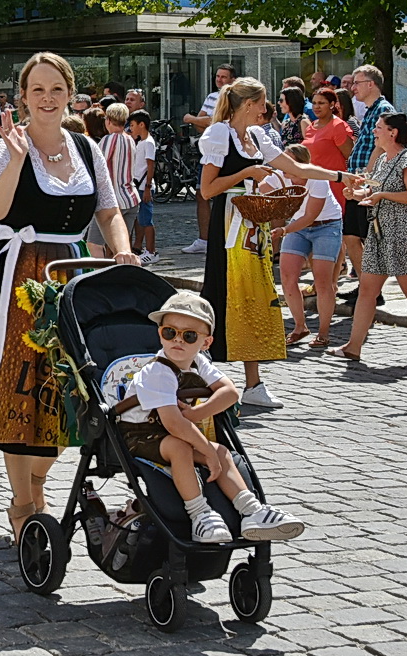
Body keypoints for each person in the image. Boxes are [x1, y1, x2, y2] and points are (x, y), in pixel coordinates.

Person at [0, 52, 140, 541]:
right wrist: (18, 158)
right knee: (20, 386)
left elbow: (108, 211)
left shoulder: (86, 148)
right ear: (22, 97)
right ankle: (24, 500)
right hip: (19, 276)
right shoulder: (9, 146)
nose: (47, 99)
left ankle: (39, 482)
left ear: (70, 94)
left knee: (74, 388)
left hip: (72, 273)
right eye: (37, 90)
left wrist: (124, 250)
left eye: (56, 89)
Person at [104, 290, 306, 543]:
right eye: (170, 332)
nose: (178, 341)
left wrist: (199, 413)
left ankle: (251, 511)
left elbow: (230, 392)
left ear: (206, 343)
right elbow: (174, 422)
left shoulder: (198, 361)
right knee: (183, 448)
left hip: (173, 430)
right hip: (140, 434)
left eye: (189, 336)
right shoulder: (157, 371)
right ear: (160, 333)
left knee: (222, 451)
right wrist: (205, 450)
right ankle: (200, 514)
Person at [198, 77, 344, 406]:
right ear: (248, 105)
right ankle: (218, 374)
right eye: (262, 103)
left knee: (254, 296)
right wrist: (246, 174)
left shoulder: (256, 136)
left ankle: (251, 382)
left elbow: (294, 166)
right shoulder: (221, 134)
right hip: (230, 225)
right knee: (229, 294)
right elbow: (208, 189)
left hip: (252, 224)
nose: (266, 109)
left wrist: (337, 176)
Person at [327, 112, 407, 363]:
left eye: (379, 128)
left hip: (404, 231)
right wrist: (355, 193)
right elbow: (373, 189)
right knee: (368, 290)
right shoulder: (382, 160)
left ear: (393, 133)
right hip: (380, 230)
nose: (374, 132)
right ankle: (353, 346)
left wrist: (381, 197)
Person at [272, 144, 343, 348]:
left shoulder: (317, 179)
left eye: (288, 160)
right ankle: (300, 326)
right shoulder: (282, 175)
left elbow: (310, 215)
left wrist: (284, 231)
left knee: (322, 281)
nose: (283, 164)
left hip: (326, 225)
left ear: (301, 164)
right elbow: (262, 188)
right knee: (287, 276)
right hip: (298, 226)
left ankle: (323, 333)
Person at [340, 66, 396, 287]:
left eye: (357, 83)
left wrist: (367, 175)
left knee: (366, 237)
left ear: (371, 84)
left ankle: (371, 291)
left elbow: (381, 147)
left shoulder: (383, 110)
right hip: (359, 180)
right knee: (351, 235)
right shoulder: (370, 109)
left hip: (369, 182)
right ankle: (366, 288)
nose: (353, 88)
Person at [182, 64, 237, 254]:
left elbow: (210, 122)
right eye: (218, 76)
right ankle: (204, 239)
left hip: (229, 150)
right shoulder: (211, 97)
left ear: (232, 80)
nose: (219, 80)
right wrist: (203, 121)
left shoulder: (236, 98)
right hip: (210, 152)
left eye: (224, 77)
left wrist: (192, 118)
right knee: (201, 193)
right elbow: (203, 124)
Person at [89, 103, 142, 262]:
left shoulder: (109, 139)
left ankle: (99, 279)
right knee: (120, 248)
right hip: (130, 197)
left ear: (108, 120)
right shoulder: (129, 139)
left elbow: (98, 167)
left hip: (111, 201)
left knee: (94, 245)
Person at [304, 86, 352, 213]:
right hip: (313, 184)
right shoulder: (311, 126)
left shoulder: (338, 126)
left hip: (334, 185)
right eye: (314, 103)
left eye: (321, 103)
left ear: (332, 105)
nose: (316, 107)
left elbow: (350, 156)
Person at [127, 110, 157, 260]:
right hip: (138, 185)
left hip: (144, 186)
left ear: (141, 124)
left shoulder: (149, 143)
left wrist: (148, 188)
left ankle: (151, 251)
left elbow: (150, 166)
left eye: (132, 125)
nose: (131, 128)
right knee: (141, 219)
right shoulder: (140, 141)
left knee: (146, 220)